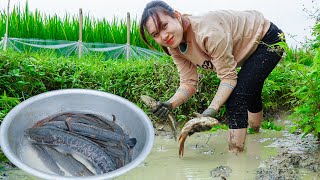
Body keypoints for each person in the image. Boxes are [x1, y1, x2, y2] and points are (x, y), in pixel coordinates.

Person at [139, 0, 285, 153]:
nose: (164, 36)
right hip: (246, 46)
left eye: (164, 26)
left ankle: (236, 156)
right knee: (250, 89)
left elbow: (228, 78)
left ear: (176, 16)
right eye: (155, 34)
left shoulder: (208, 32)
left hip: (267, 39)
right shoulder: (174, 48)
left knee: (238, 95)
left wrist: (209, 112)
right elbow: (189, 83)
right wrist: (169, 104)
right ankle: (256, 135)